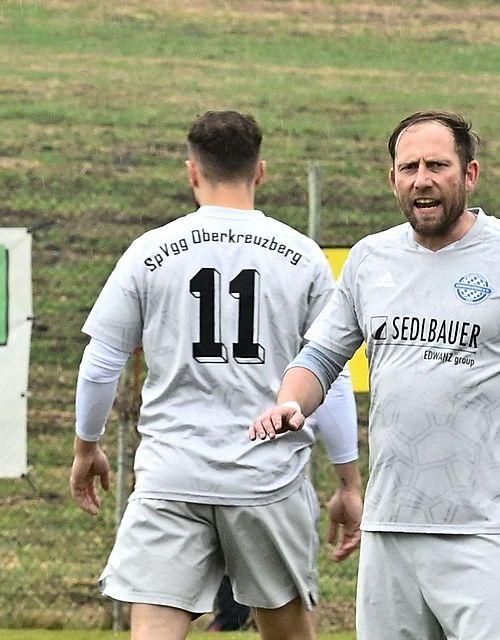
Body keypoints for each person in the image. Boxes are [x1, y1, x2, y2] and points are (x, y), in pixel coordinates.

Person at [251, 110, 500, 639]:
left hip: (484, 529)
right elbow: (320, 358)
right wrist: (291, 401)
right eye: (408, 167)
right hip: (390, 527)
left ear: (469, 175)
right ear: (393, 179)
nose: (421, 179)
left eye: (437, 165)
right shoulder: (369, 259)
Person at [69, 110, 362, 640]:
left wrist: (86, 448)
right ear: (262, 172)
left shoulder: (149, 252)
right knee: (290, 633)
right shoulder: (303, 257)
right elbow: (332, 375)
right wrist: (347, 480)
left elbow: (103, 362)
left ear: (191, 172)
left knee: (154, 629)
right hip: (266, 478)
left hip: (172, 474)